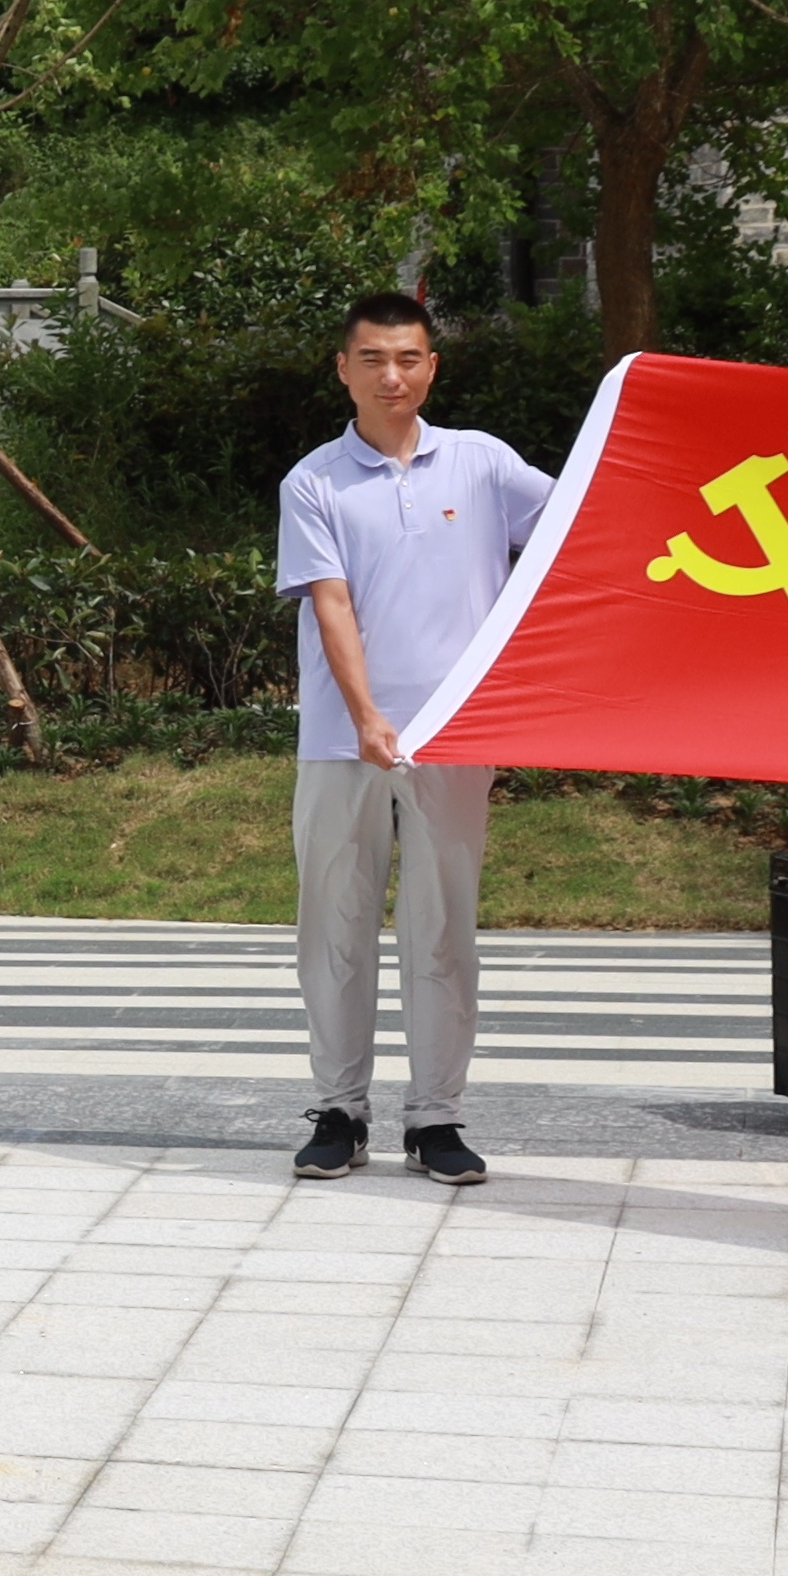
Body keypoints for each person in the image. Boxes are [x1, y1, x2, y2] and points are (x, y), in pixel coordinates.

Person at [276, 291, 550, 1191]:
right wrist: (364, 716)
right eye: (371, 359)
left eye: (408, 358)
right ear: (342, 368)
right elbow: (331, 602)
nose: (390, 376)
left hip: (454, 737)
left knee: (441, 930)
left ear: (431, 365)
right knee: (335, 927)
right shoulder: (313, 480)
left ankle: (436, 1117)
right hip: (340, 741)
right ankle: (337, 1110)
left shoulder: (483, 465)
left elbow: (575, 536)